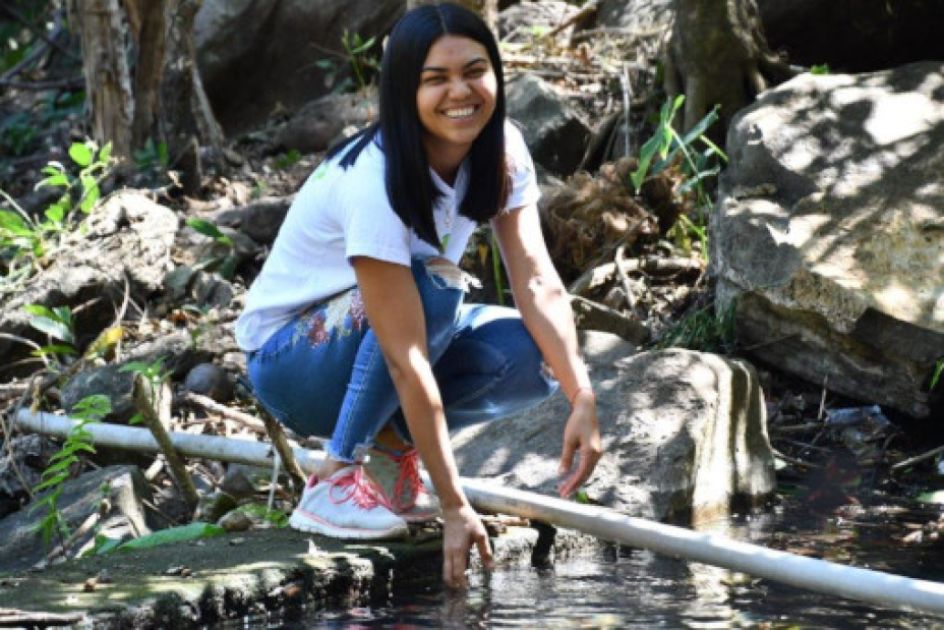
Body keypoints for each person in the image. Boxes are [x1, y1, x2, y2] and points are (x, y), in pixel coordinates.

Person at [235, 2, 601, 588]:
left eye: (475, 71)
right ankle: (334, 478)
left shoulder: (501, 148)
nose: (461, 92)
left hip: (388, 331)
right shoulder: (373, 178)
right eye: (436, 79)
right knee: (433, 285)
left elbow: (536, 278)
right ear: (404, 91)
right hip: (290, 366)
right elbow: (406, 356)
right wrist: (457, 505)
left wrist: (582, 392)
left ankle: (389, 455)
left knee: (532, 359)